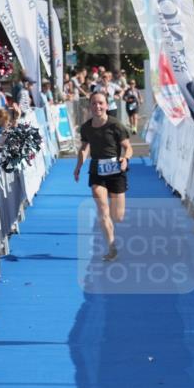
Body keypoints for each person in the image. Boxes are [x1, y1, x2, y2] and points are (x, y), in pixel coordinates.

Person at [74, 91, 132, 262]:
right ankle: (112, 247)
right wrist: (78, 167)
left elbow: (128, 147)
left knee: (118, 216)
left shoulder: (116, 125)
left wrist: (125, 159)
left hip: (116, 171)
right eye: (94, 103)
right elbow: (84, 149)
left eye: (100, 103)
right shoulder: (86, 128)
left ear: (106, 105)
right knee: (102, 210)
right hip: (97, 170)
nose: (97, 106)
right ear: (90, 106)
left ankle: (112, 232)